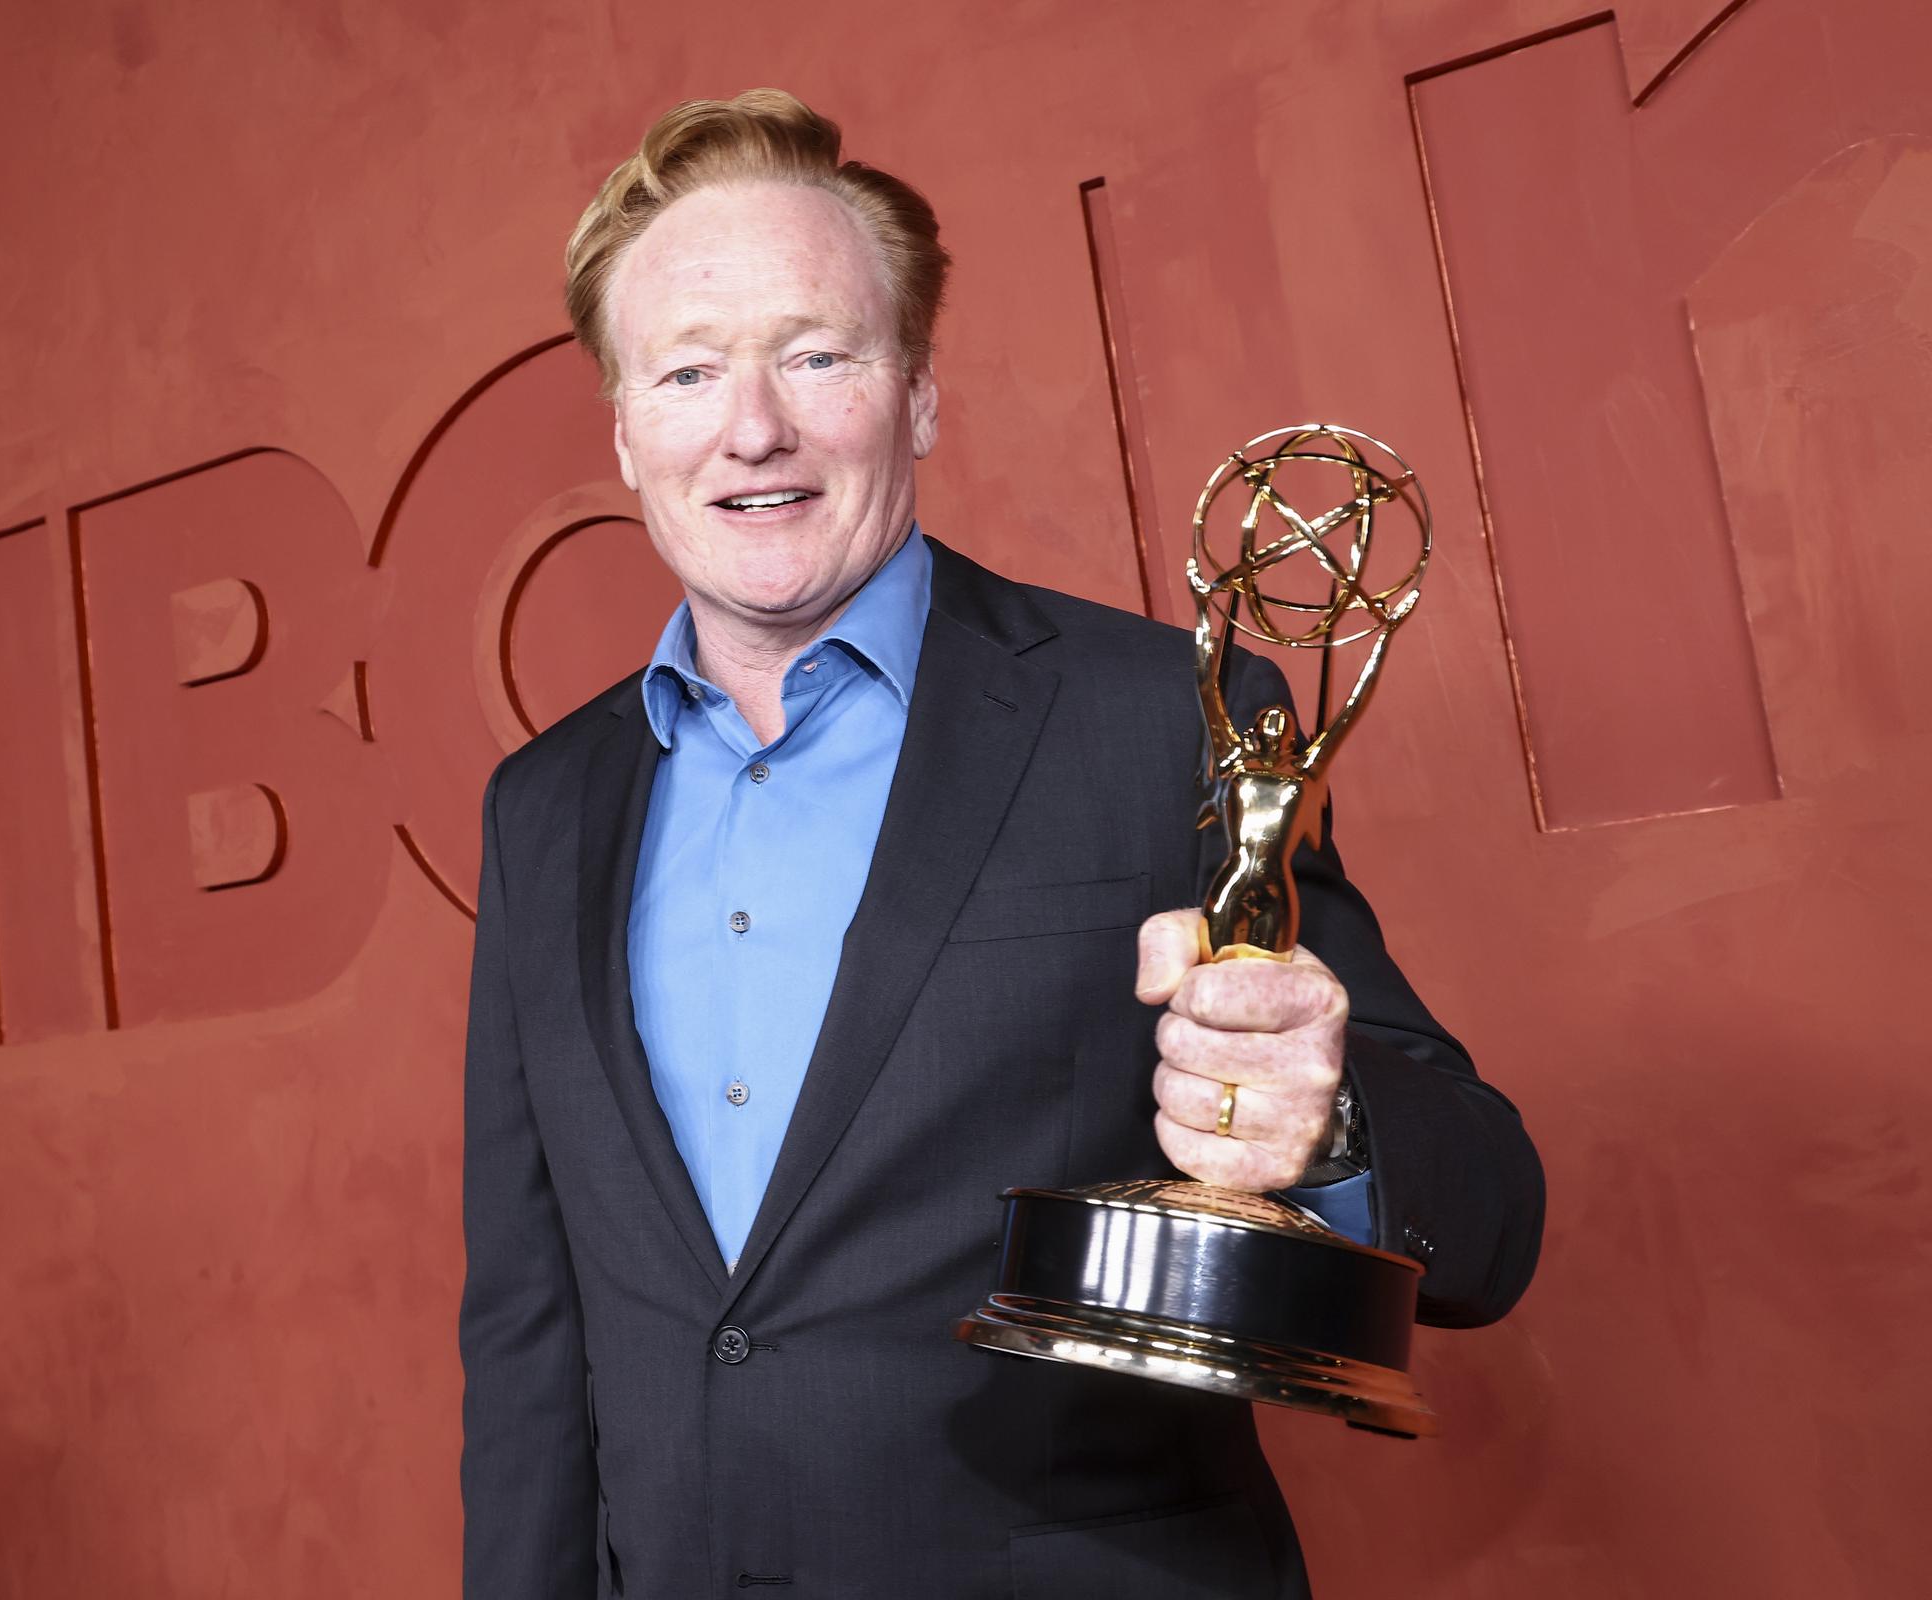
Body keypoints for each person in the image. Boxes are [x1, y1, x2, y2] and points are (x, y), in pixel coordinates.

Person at [459, 88, 1542, 1599]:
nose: (751, 425)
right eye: (689, 371)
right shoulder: (543, 806)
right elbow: (528, 1320)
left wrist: (1330, 1125)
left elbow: (1490, 1223)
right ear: (629, 433)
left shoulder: (1172, 718)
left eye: (817, 355)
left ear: (914, 398)